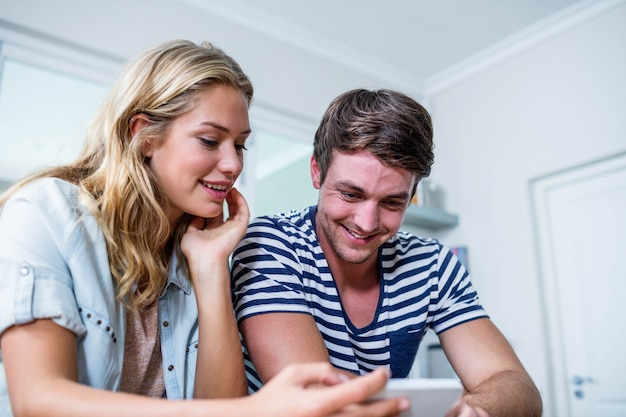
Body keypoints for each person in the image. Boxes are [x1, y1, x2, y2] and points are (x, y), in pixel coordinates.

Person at [0, 41, 408, 417]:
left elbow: (219, 405)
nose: (233, 164)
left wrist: (211, 266)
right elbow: (38, 399)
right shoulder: (44, 211)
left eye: (240, 144)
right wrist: (255, 411)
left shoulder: (193, 254)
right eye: (211, 141)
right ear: (143, 136)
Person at [231, 88, 543, 417]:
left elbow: (515, 386)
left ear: (412, 196)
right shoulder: (270, 243)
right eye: (351, 194)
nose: (367, 223)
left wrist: (473, 411)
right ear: (316, 171)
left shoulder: (432, 264)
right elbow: (318, 402)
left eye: (392, 202)